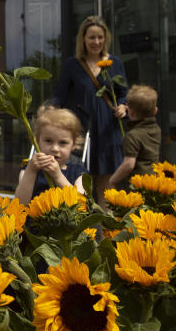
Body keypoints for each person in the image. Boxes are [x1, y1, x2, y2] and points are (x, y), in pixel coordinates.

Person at [53, 15, 128, 202]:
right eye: (91, 37)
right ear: (83, 39)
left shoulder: (115, 63)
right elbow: (59, 96)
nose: (96, 42)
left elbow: (124, 93)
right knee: (82, 187)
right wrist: (49, 111)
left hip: (108, 130)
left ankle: (105, 230)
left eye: (100, 37)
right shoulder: (73, 65)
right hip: (82, 131)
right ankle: (87, 229)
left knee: (107, 191)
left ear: (106, 38)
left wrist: (123, 106)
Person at [14, 105, 87, 204]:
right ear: (37, 141)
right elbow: (20, 203)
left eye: (63, 143)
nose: (55, 149)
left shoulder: (79, 173)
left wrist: (58, 177)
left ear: (73, 144)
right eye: (48, 141)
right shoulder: (29, 170)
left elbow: (81, 203)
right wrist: (31, 170)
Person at [108, 85, 161, 188]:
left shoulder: (132, 136)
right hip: (154, 181)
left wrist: (112, 180)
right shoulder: (156, 129)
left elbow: (129, 164)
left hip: (138, 185)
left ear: (130, 113)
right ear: (155, 110)